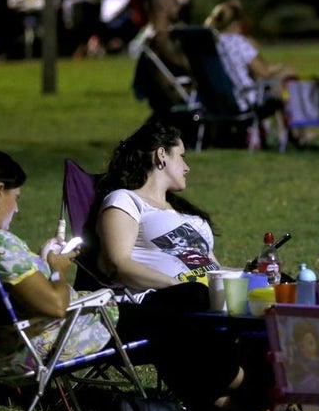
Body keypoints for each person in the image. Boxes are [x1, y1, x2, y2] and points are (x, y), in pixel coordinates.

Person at [0, 148, 242, 411]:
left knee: (184, 303)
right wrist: (58, 268)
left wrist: (41, 263)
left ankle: (221, 400)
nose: (16, 208)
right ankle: (235, 392)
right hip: (71, 332)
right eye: (15, 197)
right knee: (187, 309)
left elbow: (17, 293)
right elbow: (54, 306)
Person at [92, 118, 223, 295]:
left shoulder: (186, 212)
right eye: (182, 156)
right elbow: (118, 264)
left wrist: (248, 273)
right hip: (165, 299)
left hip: (209, 295)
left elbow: (215, 270)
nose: (187, 168)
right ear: (161, 154)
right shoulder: (125, 200)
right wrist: (178, 286)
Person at [203, 0, 293, 115]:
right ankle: (295, 124)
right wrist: (282, 67)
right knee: (286, 78)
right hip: (245, 101)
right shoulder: (239, 42)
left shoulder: (211, 43)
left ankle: (278, 126)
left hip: (218, 102)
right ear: (235, 23)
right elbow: (264, 72)